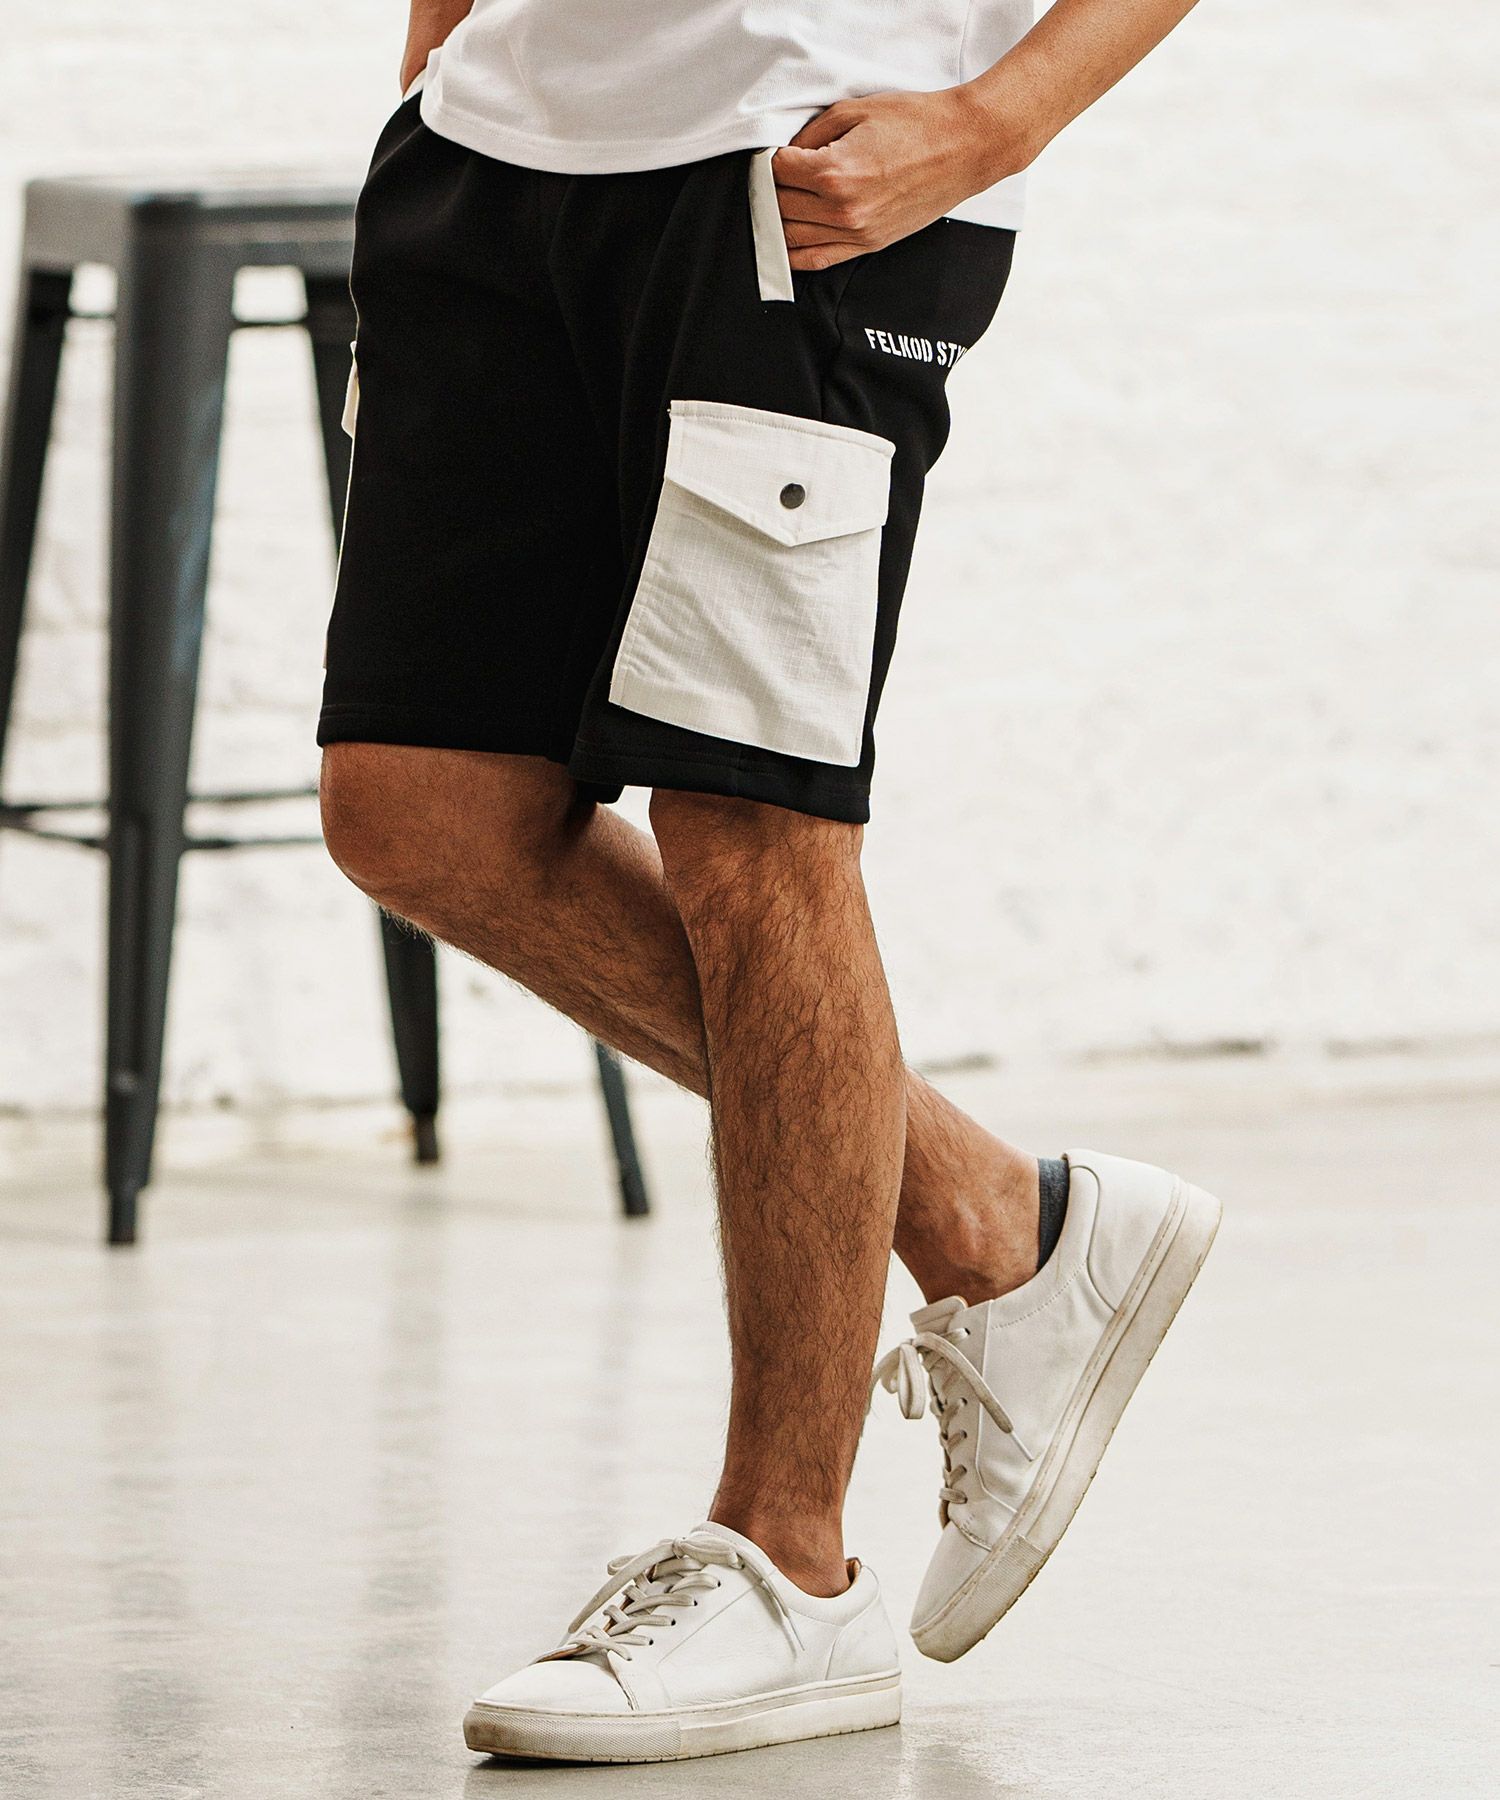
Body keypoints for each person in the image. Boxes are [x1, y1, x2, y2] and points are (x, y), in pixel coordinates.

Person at [319, 0, 1221, 1764]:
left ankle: (793, 1566)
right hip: (489, 160)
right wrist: (438, 61)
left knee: (753, 830)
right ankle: (994, 1220)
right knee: (417, 809)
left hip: (793, 178)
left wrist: (997, 121)